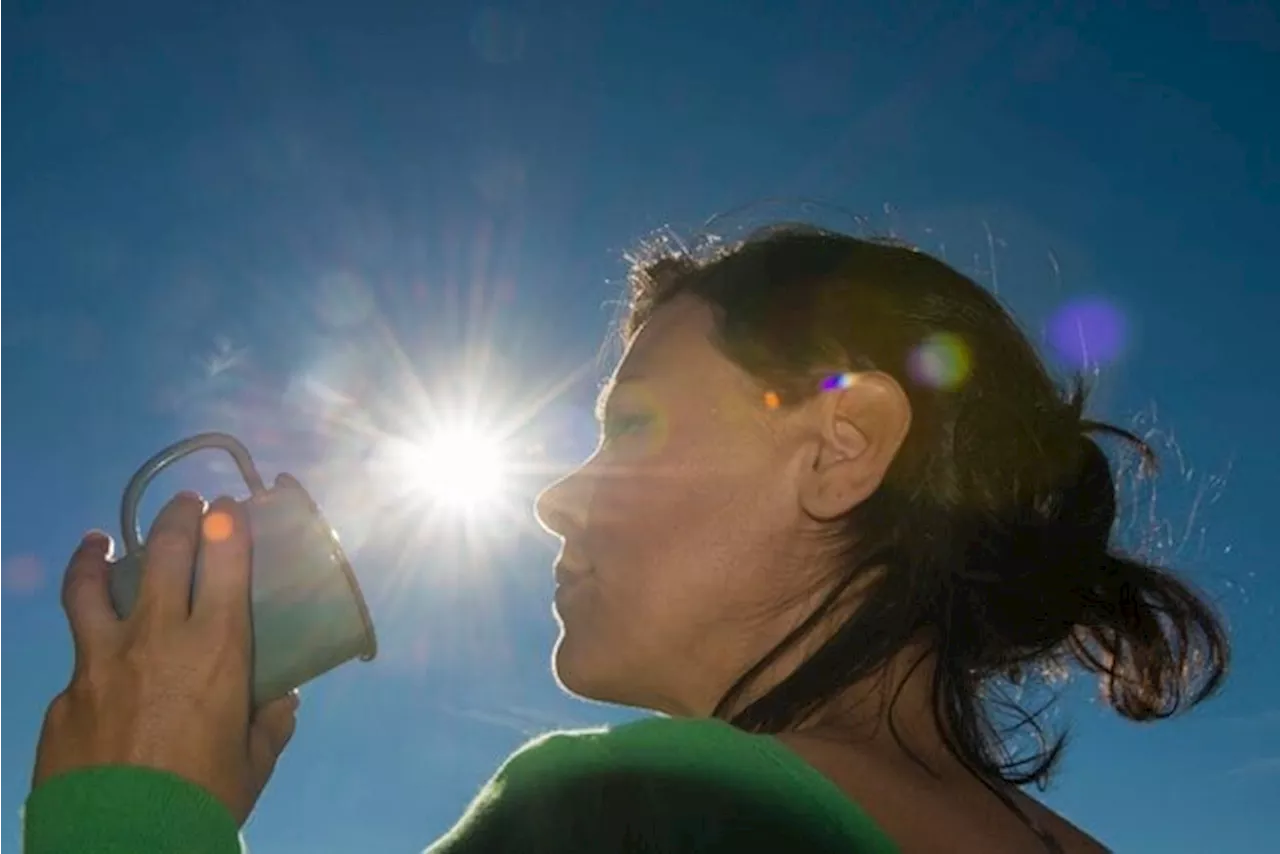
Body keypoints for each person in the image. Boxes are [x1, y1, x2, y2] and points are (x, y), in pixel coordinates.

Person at [23, 226, 1229, 853]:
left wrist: (133, 805)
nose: (556, 499)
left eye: (631, 425)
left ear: (837, 447)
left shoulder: (632, 809)